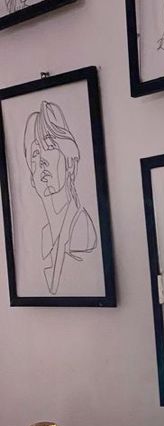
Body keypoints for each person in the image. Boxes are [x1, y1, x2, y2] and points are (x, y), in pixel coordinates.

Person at [23, 101, 97, 296]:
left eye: (50, 146)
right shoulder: (43, 237)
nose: (41, 161)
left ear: (70, 162)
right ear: (31, 177)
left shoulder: (82, 231)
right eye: (35, 152)